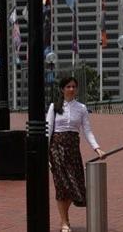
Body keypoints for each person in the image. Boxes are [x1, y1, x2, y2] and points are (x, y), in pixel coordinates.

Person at [46, 77, 105, 232]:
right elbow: (48, 130)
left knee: (75, 185)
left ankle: (65, 218)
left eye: (73, 86)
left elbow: (87, 131)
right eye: (68, 86)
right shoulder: (54, 107)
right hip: (56, 148)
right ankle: (64, 222)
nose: (71, 89)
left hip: (73, 148)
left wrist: (97, 148)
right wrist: (45, 155)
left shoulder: (82, 108)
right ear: (62, 89)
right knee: (61, 185)